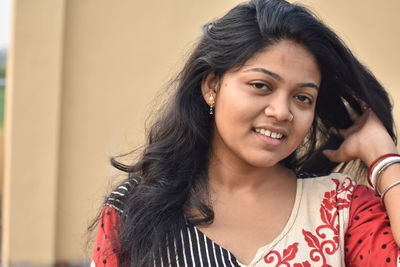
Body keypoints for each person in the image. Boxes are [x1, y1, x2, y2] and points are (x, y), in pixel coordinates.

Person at [90, 0, 400, 266]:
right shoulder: (134, 211)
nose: (282, 111)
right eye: (261, 86)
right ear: (212, 86)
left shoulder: (340, 208)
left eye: (302, 97)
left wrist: (381, 155)